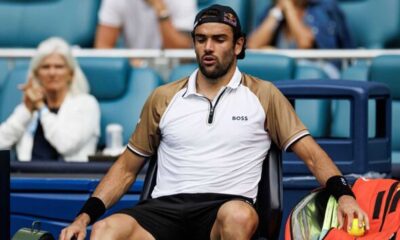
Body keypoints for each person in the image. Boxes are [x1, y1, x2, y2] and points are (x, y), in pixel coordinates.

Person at [60, 5, 368, 240]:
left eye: (219, 39)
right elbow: (126, 168)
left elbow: (312, 154)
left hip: (224, 208)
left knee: (238, 216)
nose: (208, 47)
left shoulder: (264, 94)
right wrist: (84, 217)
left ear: (237, 46)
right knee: (105, 231)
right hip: (164, 209)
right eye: (201, 39)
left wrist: (344, 195)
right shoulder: (163, 96)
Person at [0, 37, 100, 162]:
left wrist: (42, 108)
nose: (52, 73)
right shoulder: (29, 108)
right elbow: (2, 142)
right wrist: (26, 111)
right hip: (26, 177)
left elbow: (65, 145)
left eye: (59, 67)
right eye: (45, 67)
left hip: (68, 178)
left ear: (71, 73)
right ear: (36, 74)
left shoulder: (86, 104)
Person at [247, 0, 353, 49]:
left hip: (319, 69)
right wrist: (277, 11)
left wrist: (288, 8)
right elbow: (253, 45)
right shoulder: (273, 10)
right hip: (286, 73)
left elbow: (305, 43)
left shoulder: (323, 8)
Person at [95, 0, 197, 49]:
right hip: (133, 68)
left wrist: (161, 9)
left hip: (172, 71)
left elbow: (180, 53)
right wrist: (130, 63)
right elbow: (103, 47)